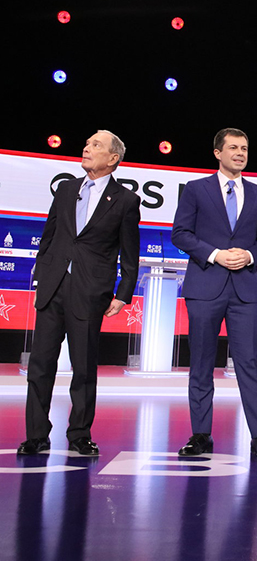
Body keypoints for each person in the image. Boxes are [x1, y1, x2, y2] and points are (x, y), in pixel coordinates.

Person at [19, 130, 141, 456]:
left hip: (91, 291)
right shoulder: (66, 189)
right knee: (40, 366)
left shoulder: (126, 201)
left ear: (113, 158)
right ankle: (36, 435)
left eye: (96, 145)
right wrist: (40, 280)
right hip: (53, 287)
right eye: (86, 143)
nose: (87, 148)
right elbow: (48, 238)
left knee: (84, 369)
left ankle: (79, 434)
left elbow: (130, 254)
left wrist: (123, 294)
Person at [171, 128, 257, 459]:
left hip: (244, 289)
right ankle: (200, 434)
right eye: (233, 147)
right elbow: (180, 233)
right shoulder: (195, 189)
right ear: (217, 153)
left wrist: (249, 256)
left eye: (244, 148)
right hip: (205, 286)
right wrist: (216, 254)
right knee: (201, 363)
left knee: (249, 363)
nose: (240, 153)